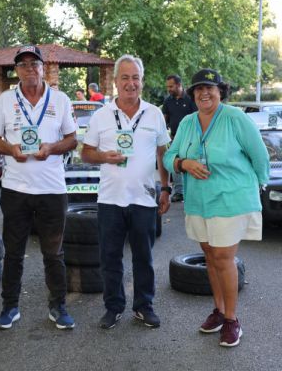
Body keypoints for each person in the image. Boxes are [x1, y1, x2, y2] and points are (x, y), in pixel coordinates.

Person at [163, 69, 269, 347]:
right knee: (210, 255)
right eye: (199, 89)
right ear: (193, 94)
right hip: (199, 201)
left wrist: (259, 185)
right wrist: (184, 163)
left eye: (210, 88)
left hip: (231, 198)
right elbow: (169, 156)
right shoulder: (187, 122)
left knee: (222, 256)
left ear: (220, 91)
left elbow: (259, 155)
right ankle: (219, 311)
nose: (204, 93)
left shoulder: (236, 118)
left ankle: (232, 320)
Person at [0, 44, 78, 330]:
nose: (29, 69)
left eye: (34, 63)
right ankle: (9, 307)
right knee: (13, 252)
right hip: (16, 189)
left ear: (43, 68)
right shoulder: (5, 100)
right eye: (23, 64)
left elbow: (72, 139)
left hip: (52, 189)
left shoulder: (60, 99)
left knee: (54, 253)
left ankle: (58, 307)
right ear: (17, 70)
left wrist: (51, 148)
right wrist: (10, 149)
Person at [81, 54, 171, 329]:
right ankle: (113, 307)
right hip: (110, 199)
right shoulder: (101, 115)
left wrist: (166, 188)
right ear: (116, 82)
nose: (130, 83)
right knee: (110, 258)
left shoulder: (154, 113)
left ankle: (144, 306)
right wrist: (103, 156)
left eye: (135, 78)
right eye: (125, 78)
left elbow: (162, 154)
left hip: (144, 198)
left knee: (144, 257)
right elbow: (86, 153)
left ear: (142, 81)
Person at [163, 75, 197, 202]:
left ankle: (193, 192)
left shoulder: (190, 99)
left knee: (191, 163)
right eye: (167, 87)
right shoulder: (168, 101)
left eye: (171, 86)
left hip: (192, 138)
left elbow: (198, 117)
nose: (169, 89)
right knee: (174, 162)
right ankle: (179, 192)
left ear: (179, 85)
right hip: (174, 138)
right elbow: (164, 119)